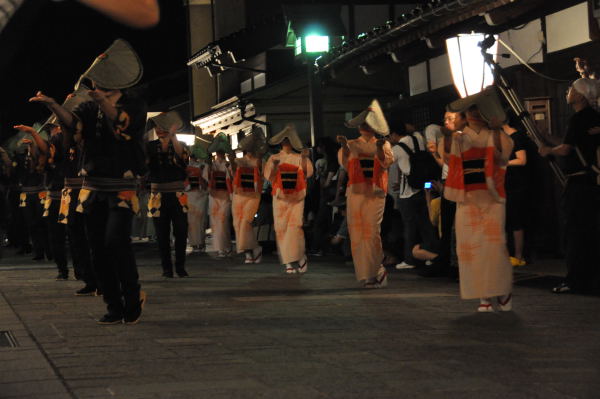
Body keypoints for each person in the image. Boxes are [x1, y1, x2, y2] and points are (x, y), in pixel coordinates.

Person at [30, 39, 147, 325]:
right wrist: (54, 105)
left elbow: (123, 125)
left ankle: (132, 298)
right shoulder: (88, 108)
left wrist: (103, 101)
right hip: (92, 186)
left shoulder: (135, 104)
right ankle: (112, 304)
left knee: (116, 241)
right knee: (97, 246)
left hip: (121, 184)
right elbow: (71, 124)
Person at [445, 88, 514, 312]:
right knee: (471, 248)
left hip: (491, 197)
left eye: (477, 110)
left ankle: (502, 290)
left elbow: (503, 157)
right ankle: (483, 296)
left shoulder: (497, 134)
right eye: (470, 110)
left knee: (494, 246)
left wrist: (495, 132)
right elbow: (449, 160)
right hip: (467, 197)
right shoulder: (459, 137)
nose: (474, 114)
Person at [540, 78, 600, 294]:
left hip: (578, 183)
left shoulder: (577, 119)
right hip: (593, 181)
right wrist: (547, 136)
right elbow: (572, 145)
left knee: (574, 232)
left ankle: (574, 279)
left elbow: (566, 149)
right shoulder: (594, 117)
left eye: (572, 89)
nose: (568, 92)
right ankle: (591, 278)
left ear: (581, 96)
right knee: (590, 232)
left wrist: (548, 150)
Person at [337, 99, 394, 288]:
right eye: (362, 124)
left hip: (375, 191)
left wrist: (379, 147)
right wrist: (345, 146)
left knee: (371, 232)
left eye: (368, 124)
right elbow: (345, 163)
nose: (365, 127)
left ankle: (376, 270)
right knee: (357, 233)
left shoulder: (383, 144)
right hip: (356, 192)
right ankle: (366, 274)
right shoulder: (352, 144)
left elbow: (385, 163)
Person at [392, 117, 441, 274]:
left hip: (408, 192)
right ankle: (431, 256)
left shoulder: (397, 148)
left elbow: (385, 162)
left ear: (393, 134)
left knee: (409, 226)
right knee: (427, 225)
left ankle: (409, 259)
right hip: (425, 186)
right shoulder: (418, 137)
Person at [264, 124, 313, 274]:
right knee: (281, 228)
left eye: (288, 140)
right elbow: (269, 177)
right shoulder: (274, 157)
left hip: (296, 196)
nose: (286, 143)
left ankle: (299, 256)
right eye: (284, 140)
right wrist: (273, 165)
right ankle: (288, 262)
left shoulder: (298, 157)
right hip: (280, 196)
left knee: (295, 226)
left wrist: (304, 159)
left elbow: (307, 173)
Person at [146, 111, 189, 278]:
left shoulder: (180, 144)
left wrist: (173, 137)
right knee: (161, 234)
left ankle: (180, 266)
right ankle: (166, 268)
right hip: (157, 195)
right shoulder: (150, 146)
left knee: (181, 230)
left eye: (161, 127)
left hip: (178, 194)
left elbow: (182, 158)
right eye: (157, 127)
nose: (159, 130)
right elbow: (145, 163)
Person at [230, 126, 266, 264]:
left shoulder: (259, 161)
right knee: (238, 223)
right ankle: (250, 252)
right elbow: (234, 170)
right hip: (239, 194)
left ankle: (254, 249)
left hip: (253, 195)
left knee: (245, 222)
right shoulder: (240, 160)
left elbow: (262, 174)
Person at [503, 115, 529, 267]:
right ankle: (506, 255)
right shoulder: (499, 137)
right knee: (505, 221)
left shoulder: (515, 136)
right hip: (503, 183)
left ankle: (518, 256)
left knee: (515, 220)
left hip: (515, 184)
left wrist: (503, 163)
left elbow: (522, 159)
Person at [205, 133, 233, 258]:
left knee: (223, 221)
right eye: (218, 151)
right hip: (214, 195)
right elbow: (207, 176)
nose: (220, 153)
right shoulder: (212, 164)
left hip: (225, 195)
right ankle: (220, 247)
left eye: (222, 151)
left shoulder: (228, 164)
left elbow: (233, 176)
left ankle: (225, 246)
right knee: (216, 222)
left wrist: (230, 165)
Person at [186, 144, 210, 253]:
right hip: (189, 195)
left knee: (200, 219)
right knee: (191, 221)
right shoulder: (185, 166)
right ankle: (194, 243)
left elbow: (205, 184)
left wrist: (199, 174)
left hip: (200, 195)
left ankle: (201, 242)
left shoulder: (204, 166)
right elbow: (184, 183)